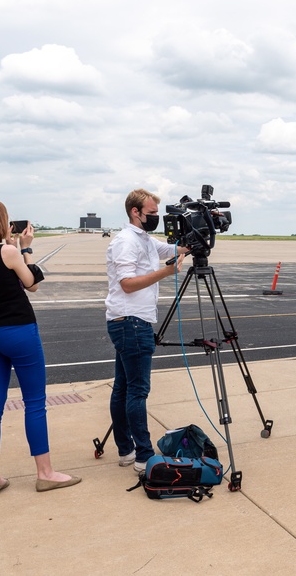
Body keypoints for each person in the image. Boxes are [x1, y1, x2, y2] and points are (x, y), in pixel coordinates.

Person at [0, 198, 81, 497]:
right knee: (35, 403)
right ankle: (45, 474)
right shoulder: (8, 252)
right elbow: (32, 284)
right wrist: (25, 249)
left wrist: (10, 247)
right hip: (18, 331)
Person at [105, 188, 186, 473]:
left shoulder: (144, 239)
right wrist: (166, 272)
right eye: (151, 213)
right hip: (132, 322)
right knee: (137, 391)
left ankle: (126, 450)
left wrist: (193, 240)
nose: (155, 217)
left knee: (123, 388)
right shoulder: (126, 241)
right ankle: (143, 455)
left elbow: (171, 249)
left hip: (130, 320)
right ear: (135, 212)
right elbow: (127, 284)